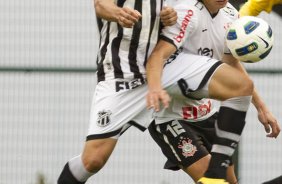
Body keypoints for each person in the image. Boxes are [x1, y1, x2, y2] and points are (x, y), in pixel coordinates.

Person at [145, 0, 280, 183]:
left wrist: (262, 108)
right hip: (172, 118)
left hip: (207, 115)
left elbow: (231, 64)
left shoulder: (230, 14)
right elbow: (157, 56)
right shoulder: (186, 11)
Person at [57, 0, 177, 183]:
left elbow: (178, 11)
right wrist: (119, 13)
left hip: (162, 76)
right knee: (93, 160)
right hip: (119, 77)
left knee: (201, 158)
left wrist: (171, 15)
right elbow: (100, 5)